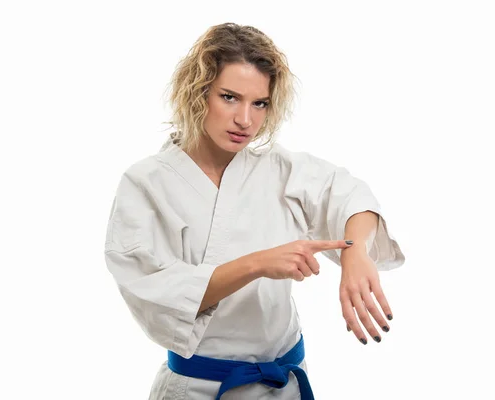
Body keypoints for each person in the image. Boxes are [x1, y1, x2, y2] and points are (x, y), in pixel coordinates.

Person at [104, 22, 405, 400]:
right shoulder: (146, 183)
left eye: (259, 103)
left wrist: (356, 251)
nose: (245, 119)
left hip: (284, 385)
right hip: (200, 388)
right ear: (198, 93)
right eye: (229, 97)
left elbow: (348, 195)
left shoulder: (278, 168)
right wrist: (257, 263)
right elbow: (155, 290)